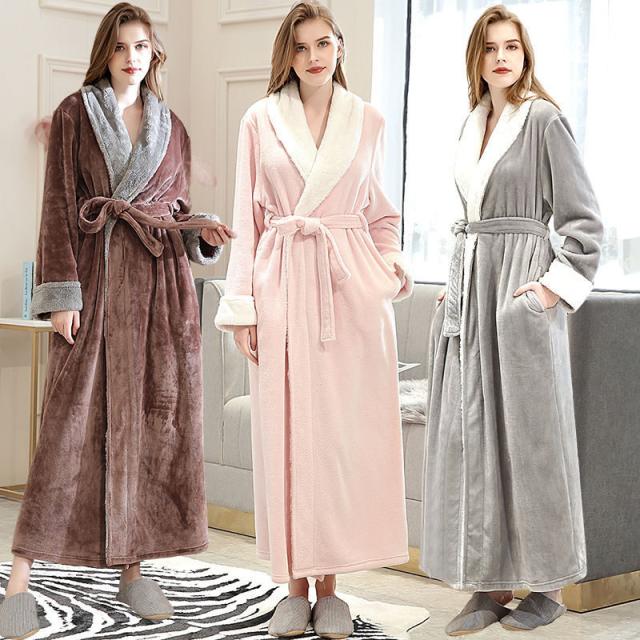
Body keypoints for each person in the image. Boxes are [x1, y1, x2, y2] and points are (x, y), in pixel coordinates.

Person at [0, 4, 233, 638]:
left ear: (155, 54)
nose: (133, 57)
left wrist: (202, 233)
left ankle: (133, 570)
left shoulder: (172, 127)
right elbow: (57, 207)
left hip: (159, 297)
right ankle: (20, 578)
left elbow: (174, 212)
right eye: (122, 46)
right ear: (106, 52)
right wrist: (62, 296)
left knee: (149, 430)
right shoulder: (75, 115)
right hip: (95, 286)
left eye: (143, 46)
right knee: (65, 430)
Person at [214, 2, 412, 637]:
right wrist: (242, 306)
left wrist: (387, 268)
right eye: (300, 47)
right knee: (287, 434)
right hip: (280, 284)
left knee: (338, 439)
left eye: (323, 43)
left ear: (339, 46)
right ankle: (294, 588)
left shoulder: (368, 120)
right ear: (288, 56)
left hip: (345, 291)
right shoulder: (259, 119)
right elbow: (247, 220)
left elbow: (382, 214)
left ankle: (332, 588)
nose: (313, 56)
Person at [420, 4, 603, 635]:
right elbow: (471, 221)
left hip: (519, 291)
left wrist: (549, 292)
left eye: (513, 47)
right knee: (474, 439)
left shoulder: (544, 120)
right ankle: (490, 585)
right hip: (472, 294)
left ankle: (548, 584)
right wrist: (454, 286)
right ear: (476, 59)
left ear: (526, 57)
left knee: (532, 439)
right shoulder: (472, 123)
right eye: (491, 48)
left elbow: (584, 221)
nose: (502, 57)